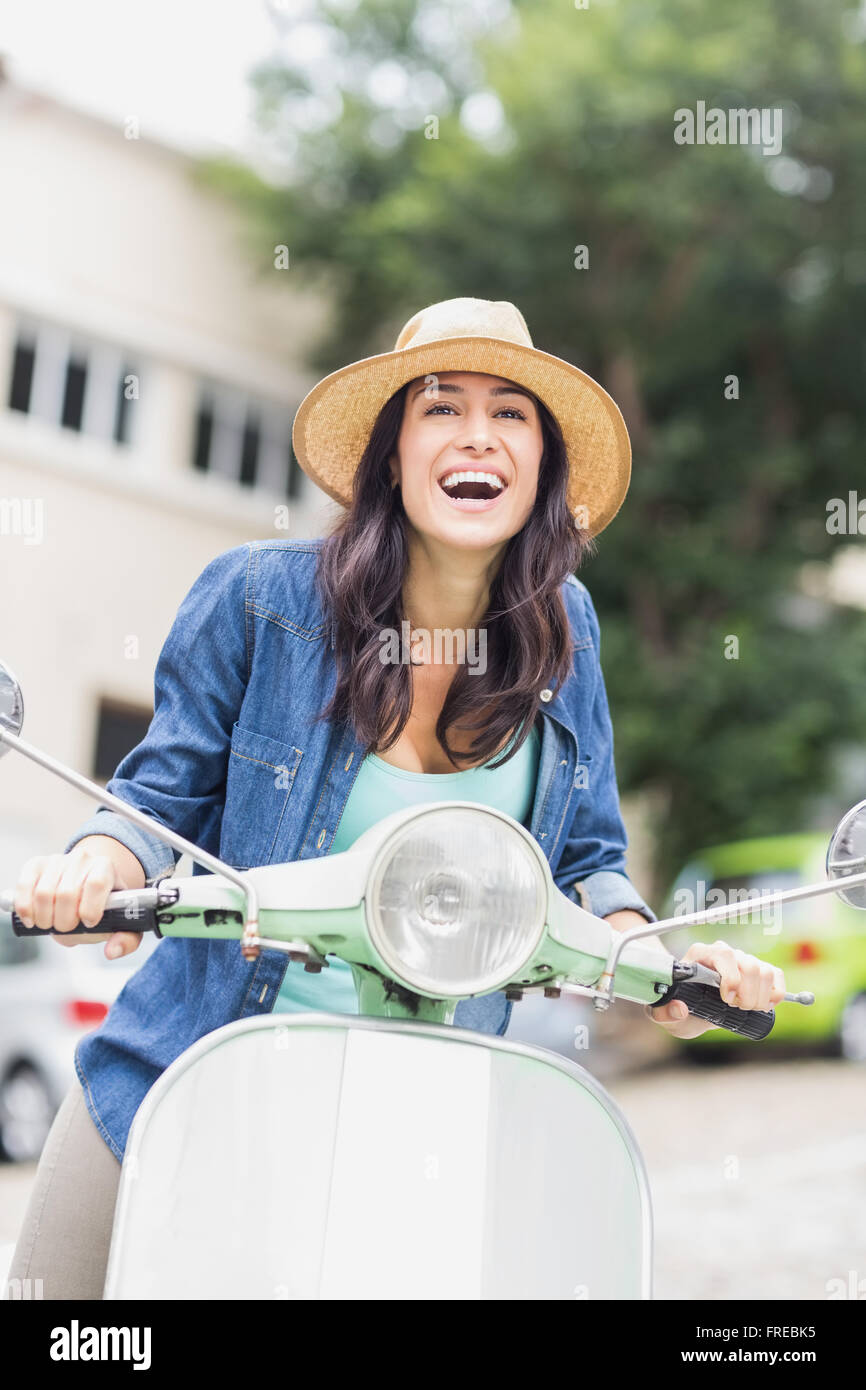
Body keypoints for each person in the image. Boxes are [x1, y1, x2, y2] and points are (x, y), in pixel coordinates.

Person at [5, 297, 786, 1299]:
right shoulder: (256, 598)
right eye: (439, 408)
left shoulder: (566, 633)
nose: (477, 436)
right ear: (390, 455)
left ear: (542, 465)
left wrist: (666, 967)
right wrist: (91, 871)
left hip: (426, 1122)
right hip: (192, 1075)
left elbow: (586, 862)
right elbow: (153, 800)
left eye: (510, 414)